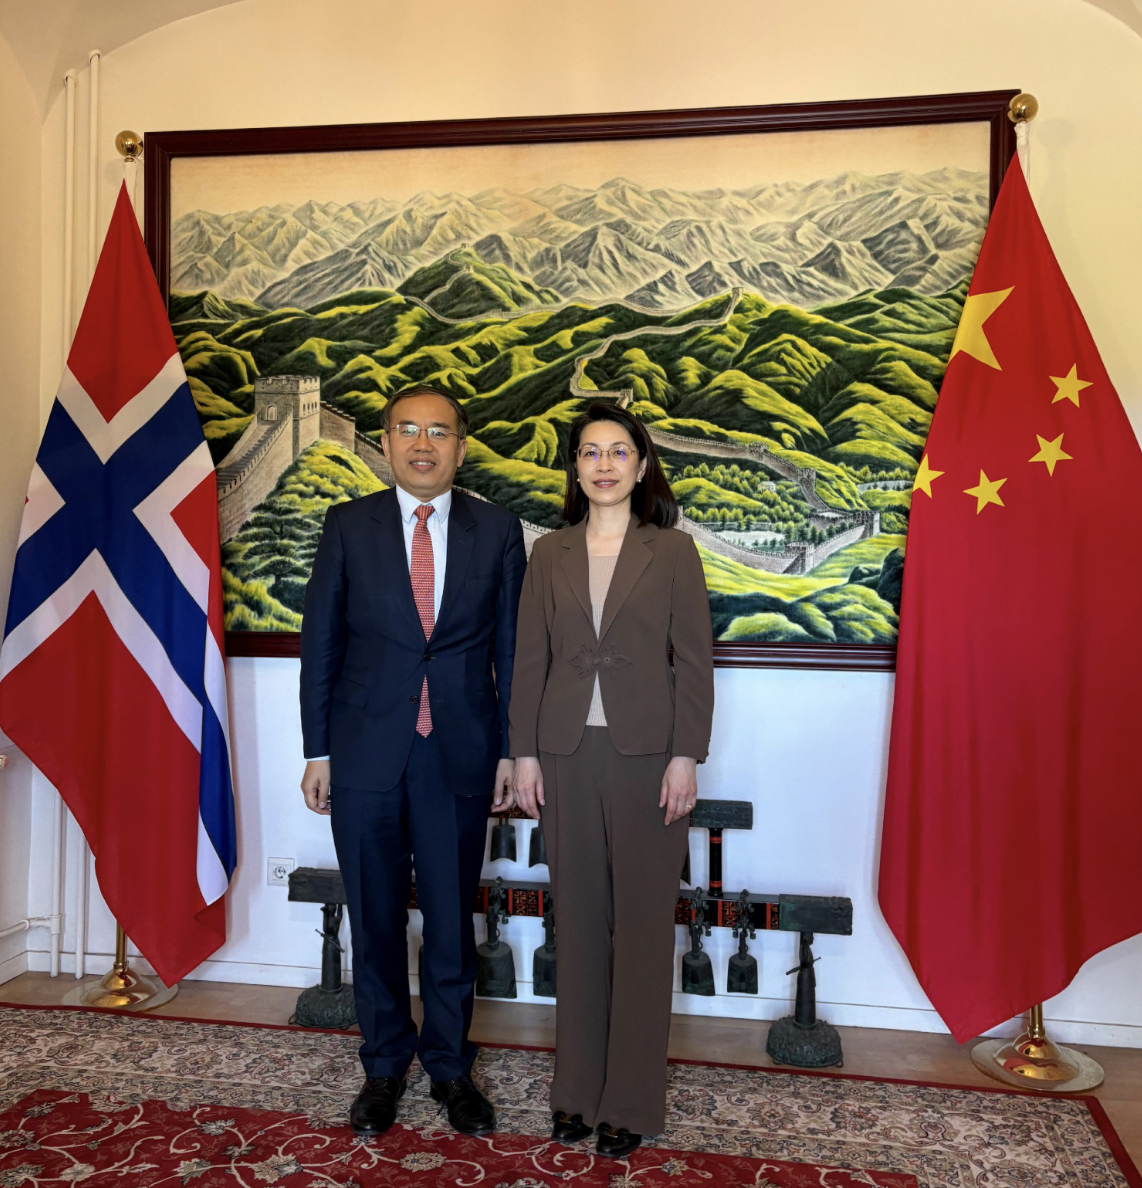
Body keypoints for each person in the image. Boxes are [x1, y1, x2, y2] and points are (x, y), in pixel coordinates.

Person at [299, 385, 525, 1138]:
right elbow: (321, 645)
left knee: (452, 924)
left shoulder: (498, 531)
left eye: (438, 432)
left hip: (459, 751)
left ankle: (452, 1069)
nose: (422, 445)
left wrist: (510, 749)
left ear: (461, 446)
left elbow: (511, 652)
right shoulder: (347, 525)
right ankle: (384, 1067)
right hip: (364, 753)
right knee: (374, 918)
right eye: (407, 430)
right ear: (387, 442)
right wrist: (318, 751)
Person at [509, 402, 714, 1159]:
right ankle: (574, 1095)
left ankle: (629, 1100)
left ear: (641, 464)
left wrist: (686, 755)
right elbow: (530, 660)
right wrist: (523, 754)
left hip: (648, 759)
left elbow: (695, 663)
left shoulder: (674, 552)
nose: (603, 464)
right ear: (574, 466)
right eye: (590, 452)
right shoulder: (549, 553)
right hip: (563, 755)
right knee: (578, 925)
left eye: (618, 451)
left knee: (643, 929)